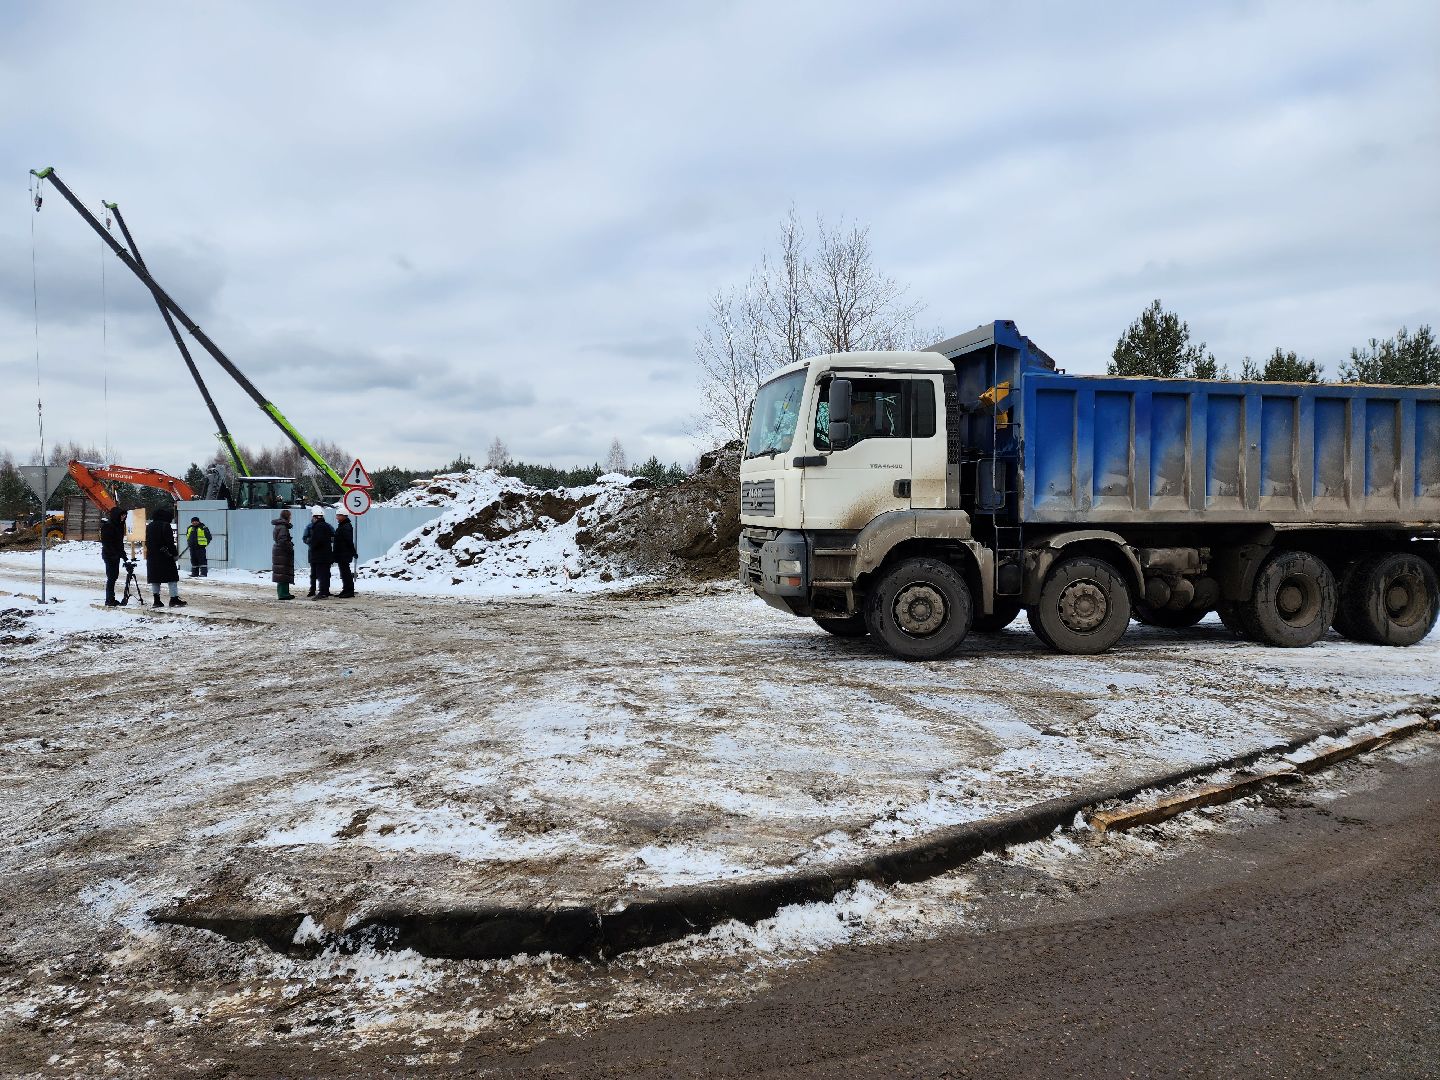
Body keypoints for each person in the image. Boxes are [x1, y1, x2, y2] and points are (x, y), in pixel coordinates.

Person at [145, 506, 185, 608]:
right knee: (172, 578)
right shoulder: (165, 525)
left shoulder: (149, 526)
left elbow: (147, 542)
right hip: (165, 557)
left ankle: (156, 601)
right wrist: (175, 554)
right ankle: (174, 599)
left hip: (152, 557)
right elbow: (170, 543)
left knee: (155, 579)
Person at [304, 507, 335, 600]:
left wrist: (312, 545)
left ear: (315, 517)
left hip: (320, 555)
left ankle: (322, 592)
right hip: (326, 554)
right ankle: (324, 591)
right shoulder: (326, 525)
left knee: (321, 574)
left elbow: (317, 540)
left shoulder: (317, 526)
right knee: (324, 573)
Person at [99, 506, 125, 606]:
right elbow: (107, 543)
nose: (123, 518)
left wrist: (122, 554)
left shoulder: (119, 525)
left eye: (124, 516)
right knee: (111, 577)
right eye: (121, 515)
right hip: (109, 555)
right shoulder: (108, 526)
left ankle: (111, 598)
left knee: (114, 576)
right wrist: (114, 554)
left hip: (116, 554)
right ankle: (109, 599)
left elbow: (119, 543)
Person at [332, 508, 357, 598]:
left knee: (346, 572)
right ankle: (346, 589)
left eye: (338, 516)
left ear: (343, 516)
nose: (337, 517)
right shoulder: (343, 525)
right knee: (344, 572)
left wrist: (353, 552)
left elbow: (348, 541)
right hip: (341, 553)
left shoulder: (345, 527)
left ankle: (349, 591)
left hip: (344, 553)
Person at [272, 508, 295, 600]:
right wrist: (290, 546)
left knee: (282, 572)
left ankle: (284, 592)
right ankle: (283, 594)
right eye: (290, 516)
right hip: (282, 552)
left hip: (279, 551)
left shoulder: (279, 526)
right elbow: (283, 541)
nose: (291, 518)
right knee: (283, 572)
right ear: (287, 517)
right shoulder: (283, 527)